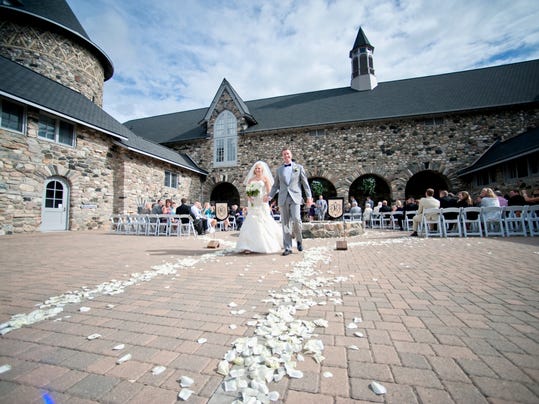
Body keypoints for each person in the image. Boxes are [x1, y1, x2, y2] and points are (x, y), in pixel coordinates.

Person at [267, 148, 313, 256]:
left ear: (291, 155)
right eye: (284, 154)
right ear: (282, 156)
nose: (286, 155)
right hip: (283, 198)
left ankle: (299, 240)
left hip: (295, 197)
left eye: (288, 154)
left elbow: (305, 184)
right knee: (285, 223)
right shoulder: (279, 170)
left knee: (297, 219)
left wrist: (309, 197)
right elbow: (275, 185)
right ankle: (287, 247)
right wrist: (270, 196)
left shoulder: (299, 168)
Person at [236, 161, 283, 254]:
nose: (257, 170)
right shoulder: (250, 180)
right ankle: (248, 246)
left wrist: (267, 196)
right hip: (253, 203)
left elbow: (270, 191)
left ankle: (265, 244)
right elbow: (248, 191)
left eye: (259, 168)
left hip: (262, 202)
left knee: (263, 222)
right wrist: (249, 197)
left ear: (262, 170)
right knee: (251, 222)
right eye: (256, 168)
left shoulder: (265, 179)